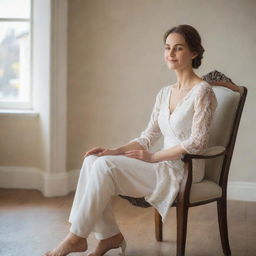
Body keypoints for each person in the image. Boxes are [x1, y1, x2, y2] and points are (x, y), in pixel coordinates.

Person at [45, 24, 219, 256]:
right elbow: (148, 136)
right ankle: (109, 236)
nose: (171, 54)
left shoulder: (203, 91)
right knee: (94, 160)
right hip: (160, 164)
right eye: (167, 48)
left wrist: (153, 157)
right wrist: (113, 150)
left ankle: (76, 237)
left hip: (184, 169)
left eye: (178, 48)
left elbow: (197, 142)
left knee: (104, 167)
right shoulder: (165, 93)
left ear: (194, 53)